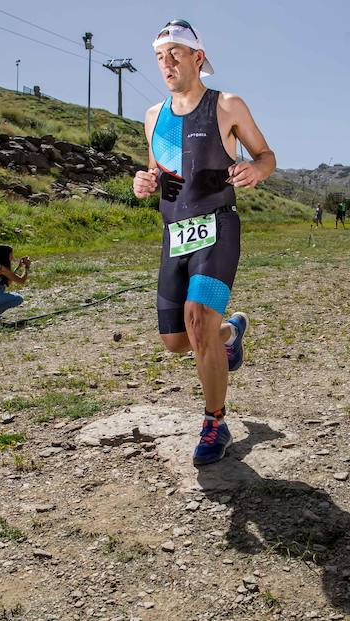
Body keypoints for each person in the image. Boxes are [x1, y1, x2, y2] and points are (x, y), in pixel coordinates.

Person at [132, 19, 276, 466]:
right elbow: (159, 173)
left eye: (175, 53)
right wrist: (144, 182)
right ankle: (229, 334)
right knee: (177, 341)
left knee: (197, 320)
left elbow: (266, 155)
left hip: (218, 228)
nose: (167, 63)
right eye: (160, 56)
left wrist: (257, 170)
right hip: (175, 233)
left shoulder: (226, 105)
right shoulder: (153, 117)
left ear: (198, 57)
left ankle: (215, 421)